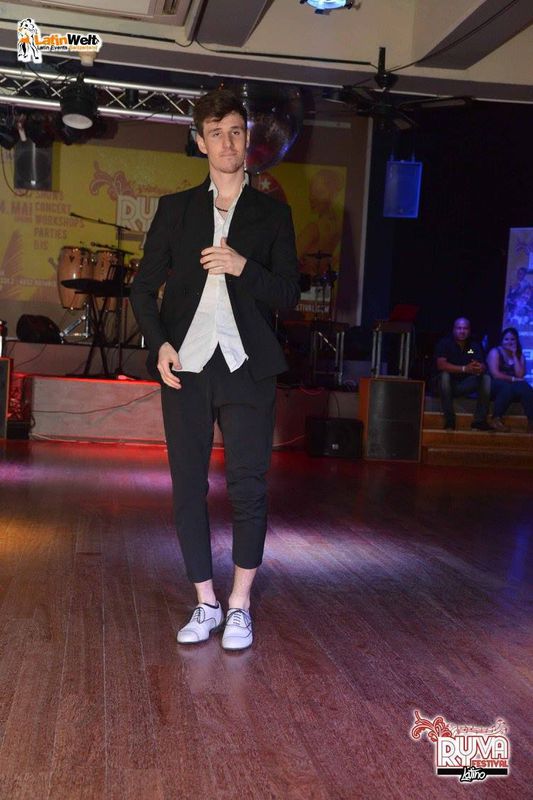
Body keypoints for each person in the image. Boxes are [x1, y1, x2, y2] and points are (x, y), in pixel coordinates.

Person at [130, 89, 300, 651]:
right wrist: (159, 344)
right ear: (200, 142)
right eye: (215, 133)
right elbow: (142, 289)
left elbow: (288, 293)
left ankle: (240, 605)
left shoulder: (273, 214)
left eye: (235, 131)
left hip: (248, 368)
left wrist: (242, 265)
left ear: (247, 140)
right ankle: (205, 601)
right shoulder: (175, 210)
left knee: (249, 487)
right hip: (187, 367)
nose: (227, 142)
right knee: (188, 487)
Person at [434, 317, 496, 431]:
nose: (462, 331)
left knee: (486, 378)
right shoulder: (445, 343)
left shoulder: (473, 346)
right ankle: (449, 420)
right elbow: (441, 365)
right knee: (444, 376)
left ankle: (479, 421)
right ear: (454, 329)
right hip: (447, 384)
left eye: (465, 328)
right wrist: (464, 369)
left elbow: (482, 364)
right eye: (459, 328)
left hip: (465, 384)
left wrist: (479, 367)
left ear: (469, 330)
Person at [487, 327, 533, 433]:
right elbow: (495, 374)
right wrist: (513, 379)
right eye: (506, 339)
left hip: (512, 385)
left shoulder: (519, 355)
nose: (509, 342)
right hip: (495, 384)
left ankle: (531, 421)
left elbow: (520, 375)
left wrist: (514, 355)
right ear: (502, 341)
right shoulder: (495, 352)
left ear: (516, 341)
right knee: (506, 387)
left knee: (525, 387)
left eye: (512, 339)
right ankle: (496, 419)